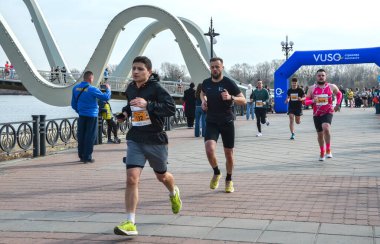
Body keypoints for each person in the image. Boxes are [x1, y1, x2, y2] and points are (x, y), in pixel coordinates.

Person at [114, 56, 181, 236]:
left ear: (149, 72)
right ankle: (130, 222)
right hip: (136, 137)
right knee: (131, 178)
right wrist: (124, 114)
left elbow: (171, 109)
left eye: (140, 69)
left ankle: (173, 192)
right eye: (134, 68)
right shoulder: (130, 88)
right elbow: (131, 106)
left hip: (155, 139)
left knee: (162, 176)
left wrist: (148, 104)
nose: (135, 72)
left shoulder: (156, 88)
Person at [200, 57, 246, 193]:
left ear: (222, 68)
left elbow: (243, 100)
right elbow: (202, 92)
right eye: (212, 67)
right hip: (211, 121)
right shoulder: (206, 83)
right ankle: (216, 172)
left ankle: (229, 179)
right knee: (209, 149)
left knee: (229, 154)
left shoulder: (229, 83)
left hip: (227, 121)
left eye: (217, 67)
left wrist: (231, 97)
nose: (214, 69)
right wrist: (203, 101)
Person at [71, 71, 111, 163]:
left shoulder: (75, 88)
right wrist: (108, 89)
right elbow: (105, 97)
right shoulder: (92, 89)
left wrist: (80, 110)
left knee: (81, 135)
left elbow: (73, 104)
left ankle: (81, 156)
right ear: (90, 79)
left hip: (82, 115)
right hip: (92, 115)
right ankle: (87, 157)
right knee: (90, 136)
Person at [304, 69, 342, 161]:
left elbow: (339, 94)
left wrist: (337, 104)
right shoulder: (311, 88)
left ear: (326, 76)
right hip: (317, 114)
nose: (321, 77)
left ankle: (328, 149)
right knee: (320, 134)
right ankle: (322, 151)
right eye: (319, 75)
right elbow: (305, 101)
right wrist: (313, 100)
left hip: (328, 111)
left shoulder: (331, 86)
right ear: (316, 77)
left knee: (326, 128)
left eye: (322, 75)